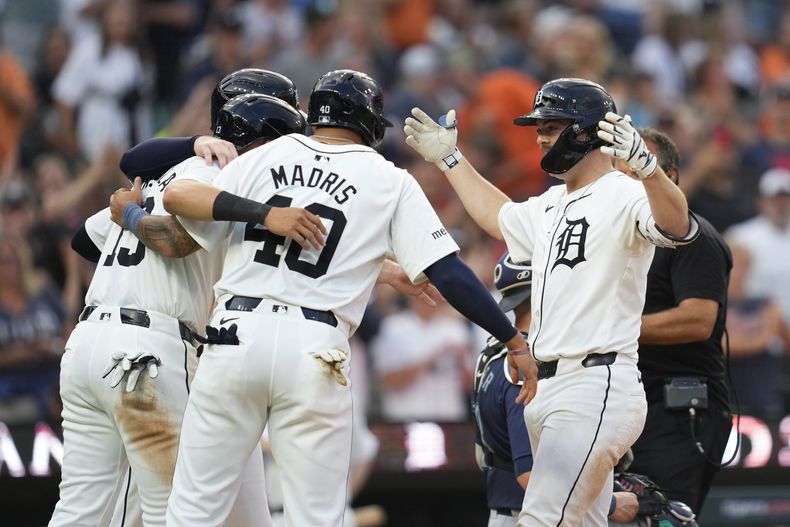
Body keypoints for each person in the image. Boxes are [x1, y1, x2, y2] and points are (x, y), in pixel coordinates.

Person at [156, 68, 535, 527]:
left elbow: (178, 195)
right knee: (317, 519)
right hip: (315, 347)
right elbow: (449, 273)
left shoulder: (269, 153)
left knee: (192, 512)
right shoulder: (387, 178)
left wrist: (265, 214)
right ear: (371, 121)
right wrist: (512, 340)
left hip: (235, 335)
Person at [405, 77, 698, 525]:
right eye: (538, 124)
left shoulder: (624, 192)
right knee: (582, 520)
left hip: (594, 382)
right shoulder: (551, 204)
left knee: (542, 518)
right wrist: (450, 159)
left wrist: (649, 170)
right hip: (546, 388)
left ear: (586, 130)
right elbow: (498, 217)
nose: (540, 134)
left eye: (553, 124)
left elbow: (678, 226)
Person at [49, 92, 314, 527]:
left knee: (80, 509)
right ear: (262, 140)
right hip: (148, 350)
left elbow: (84, 238)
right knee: (174, 512)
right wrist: (136, 220)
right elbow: (175, 242)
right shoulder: (229, 176)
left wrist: (133, 216)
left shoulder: (163, 173)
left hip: (87, 344)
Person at [473, 252, 639, 526]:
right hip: (529, 516)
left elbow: (482, 454)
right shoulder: (526, 367)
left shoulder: (494, 351)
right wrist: (610, 504)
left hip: (509, 511)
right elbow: (530, 475)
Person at [617, 128, 733, 516]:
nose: (629, 179)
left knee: (659, 515)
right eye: (621, 170)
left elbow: (699, 319)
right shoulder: (620, 239)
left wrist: (612, 329)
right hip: (626, 402)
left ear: (672, 176)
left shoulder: (693, 238)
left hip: (679, 408)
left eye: (640, 168)